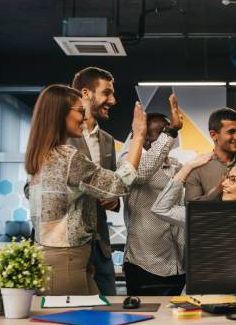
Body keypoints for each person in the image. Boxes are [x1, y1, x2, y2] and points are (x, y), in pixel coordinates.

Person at [25, 84, 146, 295]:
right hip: (66, 260)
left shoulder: (42, 155)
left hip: (62, 256)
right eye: (80, 112)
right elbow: (118, 183)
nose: (83, 118)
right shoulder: (68, 157)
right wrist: (138, 137)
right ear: (60, 114)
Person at [118, 94, 187, 296]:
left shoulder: (176, 166)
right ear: (145, 138)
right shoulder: (128, 161)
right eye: (162, 133)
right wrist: (172, 130)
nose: (169, 141)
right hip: (144, 264)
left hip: (177, 264)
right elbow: (140, 173)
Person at [68, 66, 120, 296]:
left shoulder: (108, 141)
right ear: (86, 93)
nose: (113, 100)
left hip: (100, 247)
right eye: (107, 93)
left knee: (111, 310)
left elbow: (114, 185)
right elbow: (32, 190)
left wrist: (114, 201)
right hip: (68, 246)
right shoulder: (58, 136)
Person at [152, 157, 236, 227]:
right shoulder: (209, 216)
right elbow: (160, 209)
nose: (223, 183)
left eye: (233, 180)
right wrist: (188, 167)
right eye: (227, 178)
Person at [185, 107, 236, 201]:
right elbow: (191, 209)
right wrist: (218, 190)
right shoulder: (196, 168)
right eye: (231, 132)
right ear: (213, 135)